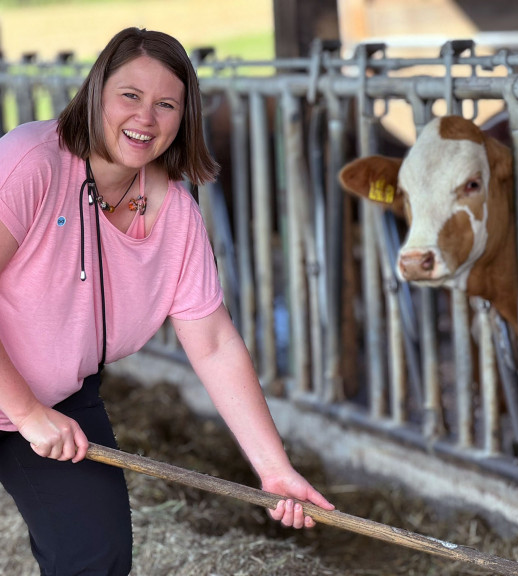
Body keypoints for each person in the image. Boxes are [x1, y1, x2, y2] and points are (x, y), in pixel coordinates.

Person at [0, 27, 334, 576]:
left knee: (96, 557)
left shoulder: (176, 215)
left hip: (55, 397)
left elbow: (214, 342)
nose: (145, 118)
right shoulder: (33, 163)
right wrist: (27, 413)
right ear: (95, 94)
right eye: (130, 96)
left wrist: (273, 470)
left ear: (184, 117)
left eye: (166, 104)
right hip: (26, 401)